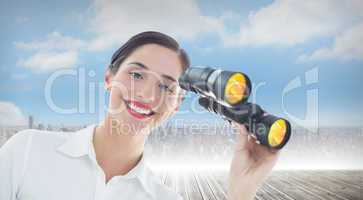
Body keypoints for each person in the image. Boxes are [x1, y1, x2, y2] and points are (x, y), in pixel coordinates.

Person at [0, 31, 278, 200]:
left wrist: (241, 192)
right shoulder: (28, 151)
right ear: (109, 78)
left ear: (177, 104)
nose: (147, 94)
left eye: (166, 86)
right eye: (136, 74)